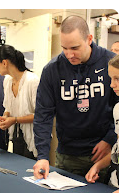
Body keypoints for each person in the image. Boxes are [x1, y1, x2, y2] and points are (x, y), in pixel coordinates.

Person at [33, 15, 118, 181]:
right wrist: (42, 155)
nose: (69, 54)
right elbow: (43, 115)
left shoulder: (110, 63)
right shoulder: (52, 70)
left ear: (89, 39)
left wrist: (109, 139)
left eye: (75, 47)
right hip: (68, 155)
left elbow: (123, 107)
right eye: (64, 48)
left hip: (104, 153)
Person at [86, 55, 119, 193]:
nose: (112, 84)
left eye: (118, 78)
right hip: (114, 184)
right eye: (111, 79)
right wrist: (98, 166)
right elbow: (119, 150)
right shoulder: (118, 108)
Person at [0, 45, 39, 159]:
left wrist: (14, 120)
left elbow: (40, 115)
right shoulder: (7, 81)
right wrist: (5, 118)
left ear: (4, 63)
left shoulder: (32, 80)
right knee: (18, 166)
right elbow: (9, 107)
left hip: (34, 135)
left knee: (30, 171)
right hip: (17, 132)